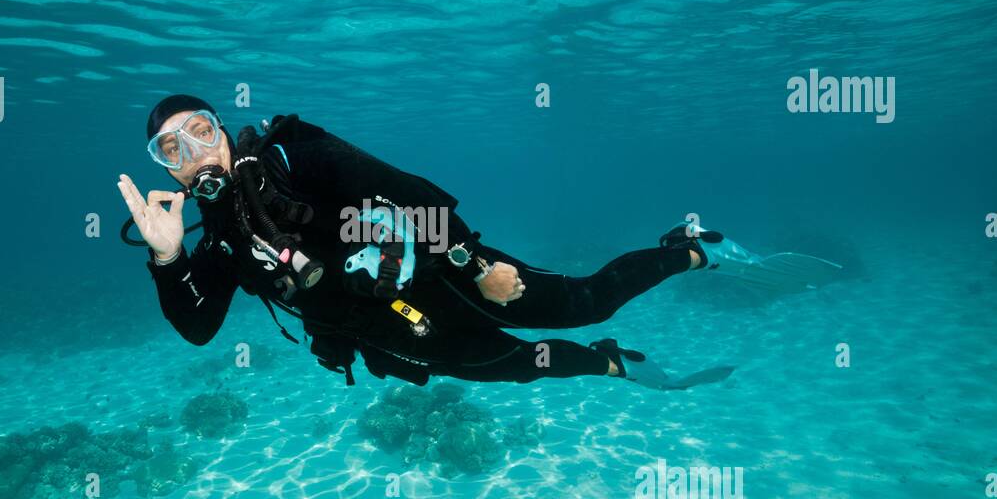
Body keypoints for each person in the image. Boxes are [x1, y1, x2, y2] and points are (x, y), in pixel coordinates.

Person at [117, 94, 839, 389]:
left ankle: (693, 248)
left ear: (222, 129)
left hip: (444, 270)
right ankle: (612, 364)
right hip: (387, 326)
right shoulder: (216, 238)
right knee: (514, 366)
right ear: (165, 169)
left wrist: (475, 262)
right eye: (170, 150)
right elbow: (199, 328)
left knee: (583, 301)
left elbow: (416, 195)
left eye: (200, 132)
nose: (192, 153)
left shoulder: (294, 157)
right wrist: (166, 255)